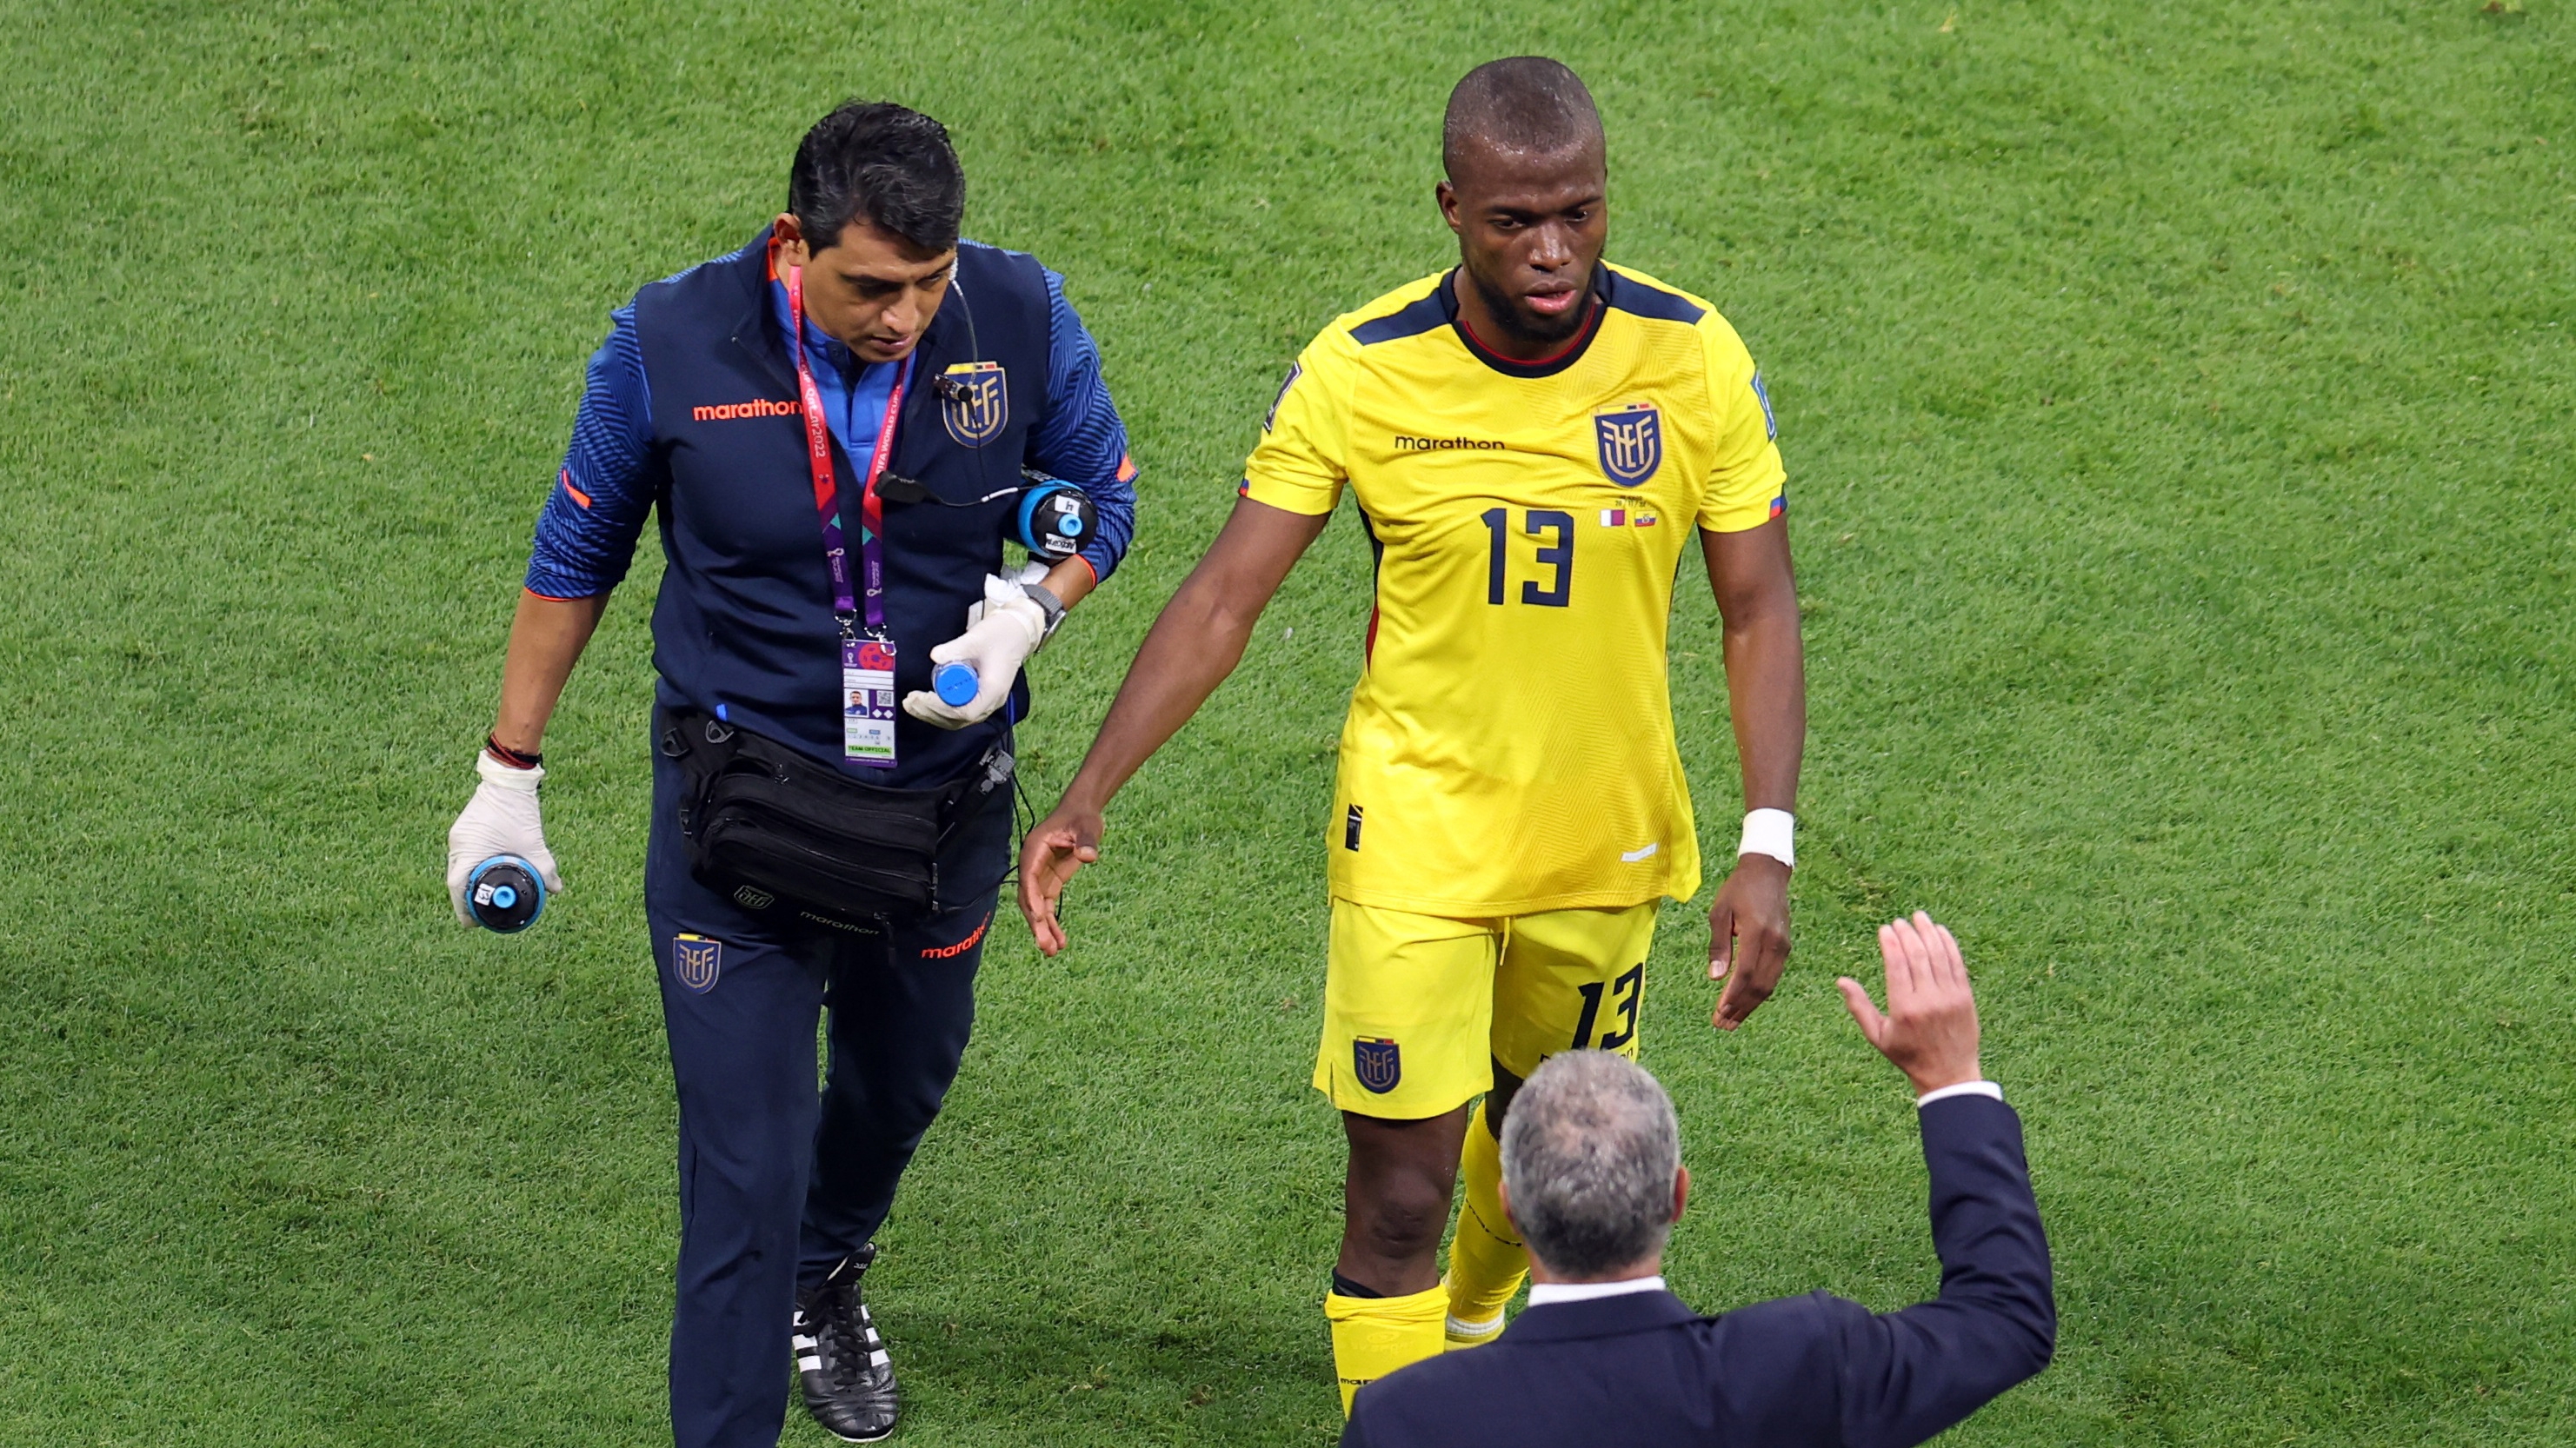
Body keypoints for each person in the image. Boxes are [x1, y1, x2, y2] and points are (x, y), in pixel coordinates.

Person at [1015, 56, 1807, 1410]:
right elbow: (1222, 598)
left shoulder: (1690, 359)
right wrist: (1090, 787)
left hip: (1602, 838)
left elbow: (1756, 603)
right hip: (1414, 837)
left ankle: (1478, 1327)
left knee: (1544, 1162)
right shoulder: (1363, 369)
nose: (1552, 249)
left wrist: (1766, 842)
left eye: (1578, 211)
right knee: (1395, 1199)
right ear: (1450, 205)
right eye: (1514, 219)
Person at [441, 101, 1139, 1447]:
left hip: (941, 806)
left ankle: (829, 1264)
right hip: (735, 815)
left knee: (899, 1084)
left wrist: (1030, 611)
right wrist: (505, 773)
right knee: (738, 1185)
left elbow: (1103, 499)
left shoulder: (1020, 313)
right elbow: (573, 558)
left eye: (927, 286)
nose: (905, 319)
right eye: (872, 286)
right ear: (791, 241)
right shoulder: (667, 343)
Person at [1344, 913, 2055, 1445]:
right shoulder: (1804, 1361)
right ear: (1676, 1195)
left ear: (1511, 1208)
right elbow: (2004, 1318)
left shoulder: (1408, 1419)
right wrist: (1950, 1079)